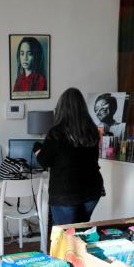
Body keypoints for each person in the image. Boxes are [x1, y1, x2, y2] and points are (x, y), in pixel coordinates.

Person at [34, 87, 104, 225]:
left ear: (61, 108)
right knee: (80, 231)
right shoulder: (92, 131)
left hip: (65, 193)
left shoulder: (56, 133)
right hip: (92, 191)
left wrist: (37, 149)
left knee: (66, 237)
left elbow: (44, 161)